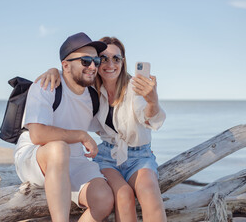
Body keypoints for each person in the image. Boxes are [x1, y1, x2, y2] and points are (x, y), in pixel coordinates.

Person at [38, 36, 167, 221]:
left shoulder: (135, 88)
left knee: (149, 192)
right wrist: (54, 71)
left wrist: (152, 100)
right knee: (123, 195)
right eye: (103, 58)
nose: (110, 64)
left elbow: (148, 118)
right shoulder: (91, 90)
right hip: (107, 156)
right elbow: (71, 77)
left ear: (123, 62)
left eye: (116, 58)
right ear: (96, 63)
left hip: (140, 156)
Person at [14, 32, 114, 222]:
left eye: (96, 60)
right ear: (66, 65)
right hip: (35, 156)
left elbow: (111, 129)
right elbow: (37, 134)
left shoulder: (93, 96)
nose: (93, 66)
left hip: (75, 159)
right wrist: (82, 136)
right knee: (58, 148)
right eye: (85, 61)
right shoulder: (47, 85)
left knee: (104, 199)